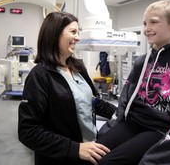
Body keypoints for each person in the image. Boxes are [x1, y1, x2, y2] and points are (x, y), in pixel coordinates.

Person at [96, 0, 170, 164]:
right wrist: (114, 122)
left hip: (160, 129)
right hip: (133, 122)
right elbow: (127, 95)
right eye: (145, 23)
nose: (146, 28)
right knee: (94, 153)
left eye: (153, 22)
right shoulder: (142, 61)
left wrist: (158, 156)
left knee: (108, 162)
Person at [18, 11, 117, 165]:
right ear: (54, 34)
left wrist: (120, 113)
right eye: (72, 32)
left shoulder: (78, 67)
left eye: (78, 32)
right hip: (63, 157)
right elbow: (28, 131)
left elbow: (93, 102)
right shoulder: (40, 76)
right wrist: (74, 149)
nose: (77, 37)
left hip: (91, 150)